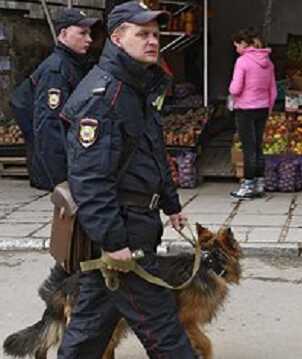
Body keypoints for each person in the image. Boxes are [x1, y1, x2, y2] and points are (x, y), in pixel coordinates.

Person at [57, 2, 196, 358]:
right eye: (142, 34)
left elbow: (149, 150)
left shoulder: (134, 88)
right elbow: (90, 179)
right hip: (124, 231)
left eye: (155, 34)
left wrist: (170, 203)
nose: (153, 41)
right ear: (118, 39)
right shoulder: (102, 97)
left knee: (90, 326)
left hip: (136, 223)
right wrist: (113, 241)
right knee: (165, 332)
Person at [13, 8, 100, 191]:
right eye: (82, 33)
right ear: (63, 34)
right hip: (59, 167)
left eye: (90, 34)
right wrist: (62, 179)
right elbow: (50, 125)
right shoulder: (57, 70)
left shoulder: (71, 64)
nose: (89, 39)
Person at [229, 27, 277, 199]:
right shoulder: (268, 62)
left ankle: (248, 185)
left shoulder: (242, 62)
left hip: (245, 109)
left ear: (243, 44)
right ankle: (259, 184)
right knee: (258, 146)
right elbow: (273, 90)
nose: (236, 49)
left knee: (248, 147)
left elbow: (235, 88)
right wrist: (269, 108)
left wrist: (231, 93)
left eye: (236, 45)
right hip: (262, 108)